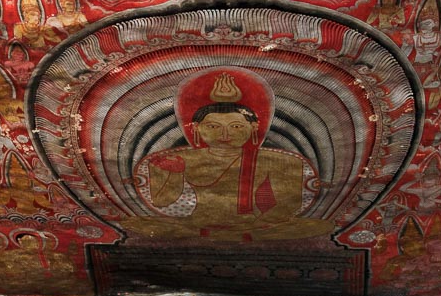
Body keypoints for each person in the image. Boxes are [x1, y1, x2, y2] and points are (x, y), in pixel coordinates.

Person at [132, 68, 329, 242]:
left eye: (236, 126)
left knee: (319, 227)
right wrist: (174, 173)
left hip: (254, 227)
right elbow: (162, 202)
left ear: (253, 127)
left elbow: (288, 207)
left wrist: (249, 229)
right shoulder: (180, 159)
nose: (225, 135)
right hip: (196, 226)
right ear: (196, 128)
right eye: (213, 127)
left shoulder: (280, 161)